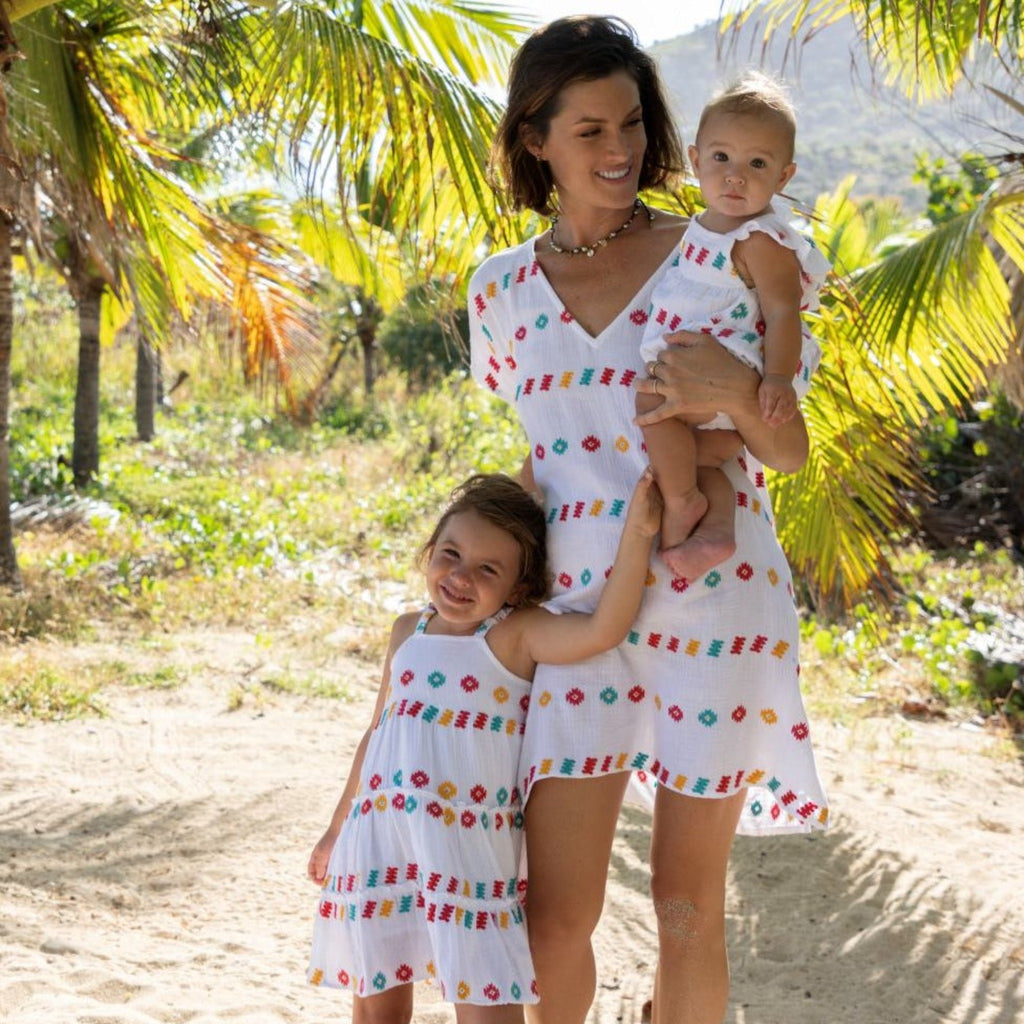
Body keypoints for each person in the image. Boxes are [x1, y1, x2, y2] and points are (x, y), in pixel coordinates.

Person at [469, 16, 829, 1024]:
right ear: (535, 138)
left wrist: (736, 387)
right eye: (589, 130)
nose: (619, 149)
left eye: (631, 123)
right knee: (553, 915)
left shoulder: (721, 251)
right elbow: (549, 457)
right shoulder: (499, 290)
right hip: (575, 612)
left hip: (716, 598)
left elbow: (787, 452)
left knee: (685, 908)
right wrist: (471, 575)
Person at [306, 470, 661, 1024]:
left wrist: (638, 533)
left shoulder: (514, 635)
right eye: (451, 554)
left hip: (464, 849)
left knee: (484, 997)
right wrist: (337, 828)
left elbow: (603, 630)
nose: (460, 576)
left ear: (517, 589)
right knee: (376, 1000)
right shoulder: (407, 631)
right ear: (430, 551)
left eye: (487, 569)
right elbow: (377, 733)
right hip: (381, 841)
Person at [636, 71, 831, 581]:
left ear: (783, 178)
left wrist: (777, 379)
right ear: (696, 160)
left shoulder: (760, 239)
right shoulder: (702, 227)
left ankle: (681, 502)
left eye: (757, 164)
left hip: (729, 363)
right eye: (721, 158)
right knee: (705, 460)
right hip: (703, 380)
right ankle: (716, 526)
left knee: (650, 405)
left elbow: (784, 312)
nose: (735, 176)